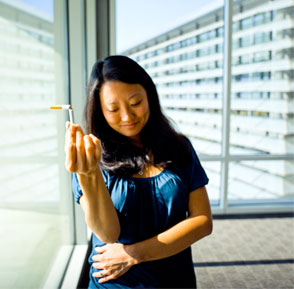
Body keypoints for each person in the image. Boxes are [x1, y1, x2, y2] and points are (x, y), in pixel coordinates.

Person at [65, 55, 212, 289]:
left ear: (149, 96)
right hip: (115, 283)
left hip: (174, 280)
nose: (127, 117)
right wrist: (88, 174)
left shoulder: (179, 146)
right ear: (100, 111)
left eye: (135, 103)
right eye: (113, 109)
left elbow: (202, 221)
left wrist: (134, 254)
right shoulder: (92, 157)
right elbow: (108, 233)